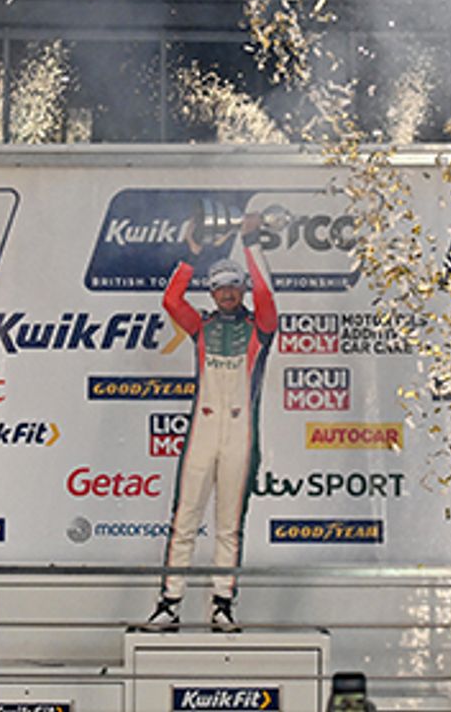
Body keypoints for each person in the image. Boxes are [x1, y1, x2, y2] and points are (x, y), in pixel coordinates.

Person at [142, 214, 277, 634]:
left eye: (234, 286)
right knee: (184, 520)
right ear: (213, 292)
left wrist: (251, 243)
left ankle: (223, 605)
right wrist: (192, 254)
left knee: (228, 526)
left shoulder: (261, 328)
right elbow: (170, 301)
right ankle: (169, 604)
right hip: (201, 432)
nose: (227, 293)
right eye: (220, 287)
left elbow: (269, 298)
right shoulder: (199, 325)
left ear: (242, 290)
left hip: (240, 434)